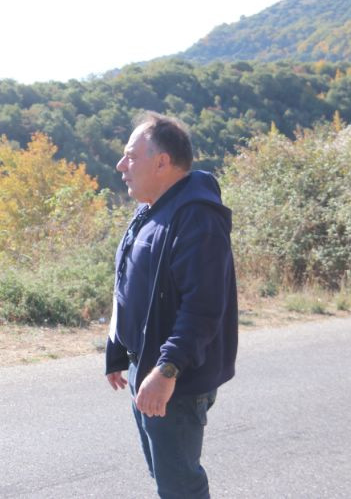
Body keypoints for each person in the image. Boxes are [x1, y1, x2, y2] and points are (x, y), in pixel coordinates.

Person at [104, 112, 238, 498]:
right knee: (165, 476)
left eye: (131, 156)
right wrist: (118, 350)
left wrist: (167, 370)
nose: (121, 165)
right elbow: (129, 282)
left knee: (180, 487)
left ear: (162, 162)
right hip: (144, 367)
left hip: (173, 379)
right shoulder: (151, 209)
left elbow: (204, 307)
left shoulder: (196, 217)